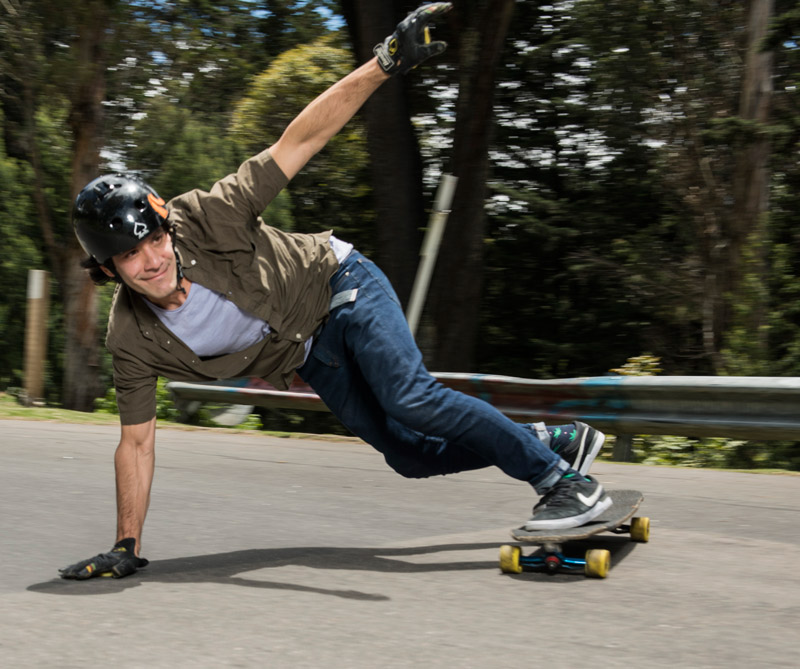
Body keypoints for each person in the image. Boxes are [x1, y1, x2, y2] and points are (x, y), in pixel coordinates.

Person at [60, 2, 611, 581]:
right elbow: (137, 444)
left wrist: (384, 62)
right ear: (108, 270)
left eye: (153, 240)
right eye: (128, 255)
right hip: (309, 352)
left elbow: (298, 142)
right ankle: (548, 442)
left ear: (167, 226)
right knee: (409, 456)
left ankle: (564, 485)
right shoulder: (132, 338)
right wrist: (126, 543)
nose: (151, 261)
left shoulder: (210, 215)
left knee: (410, 398)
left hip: (339, 282)